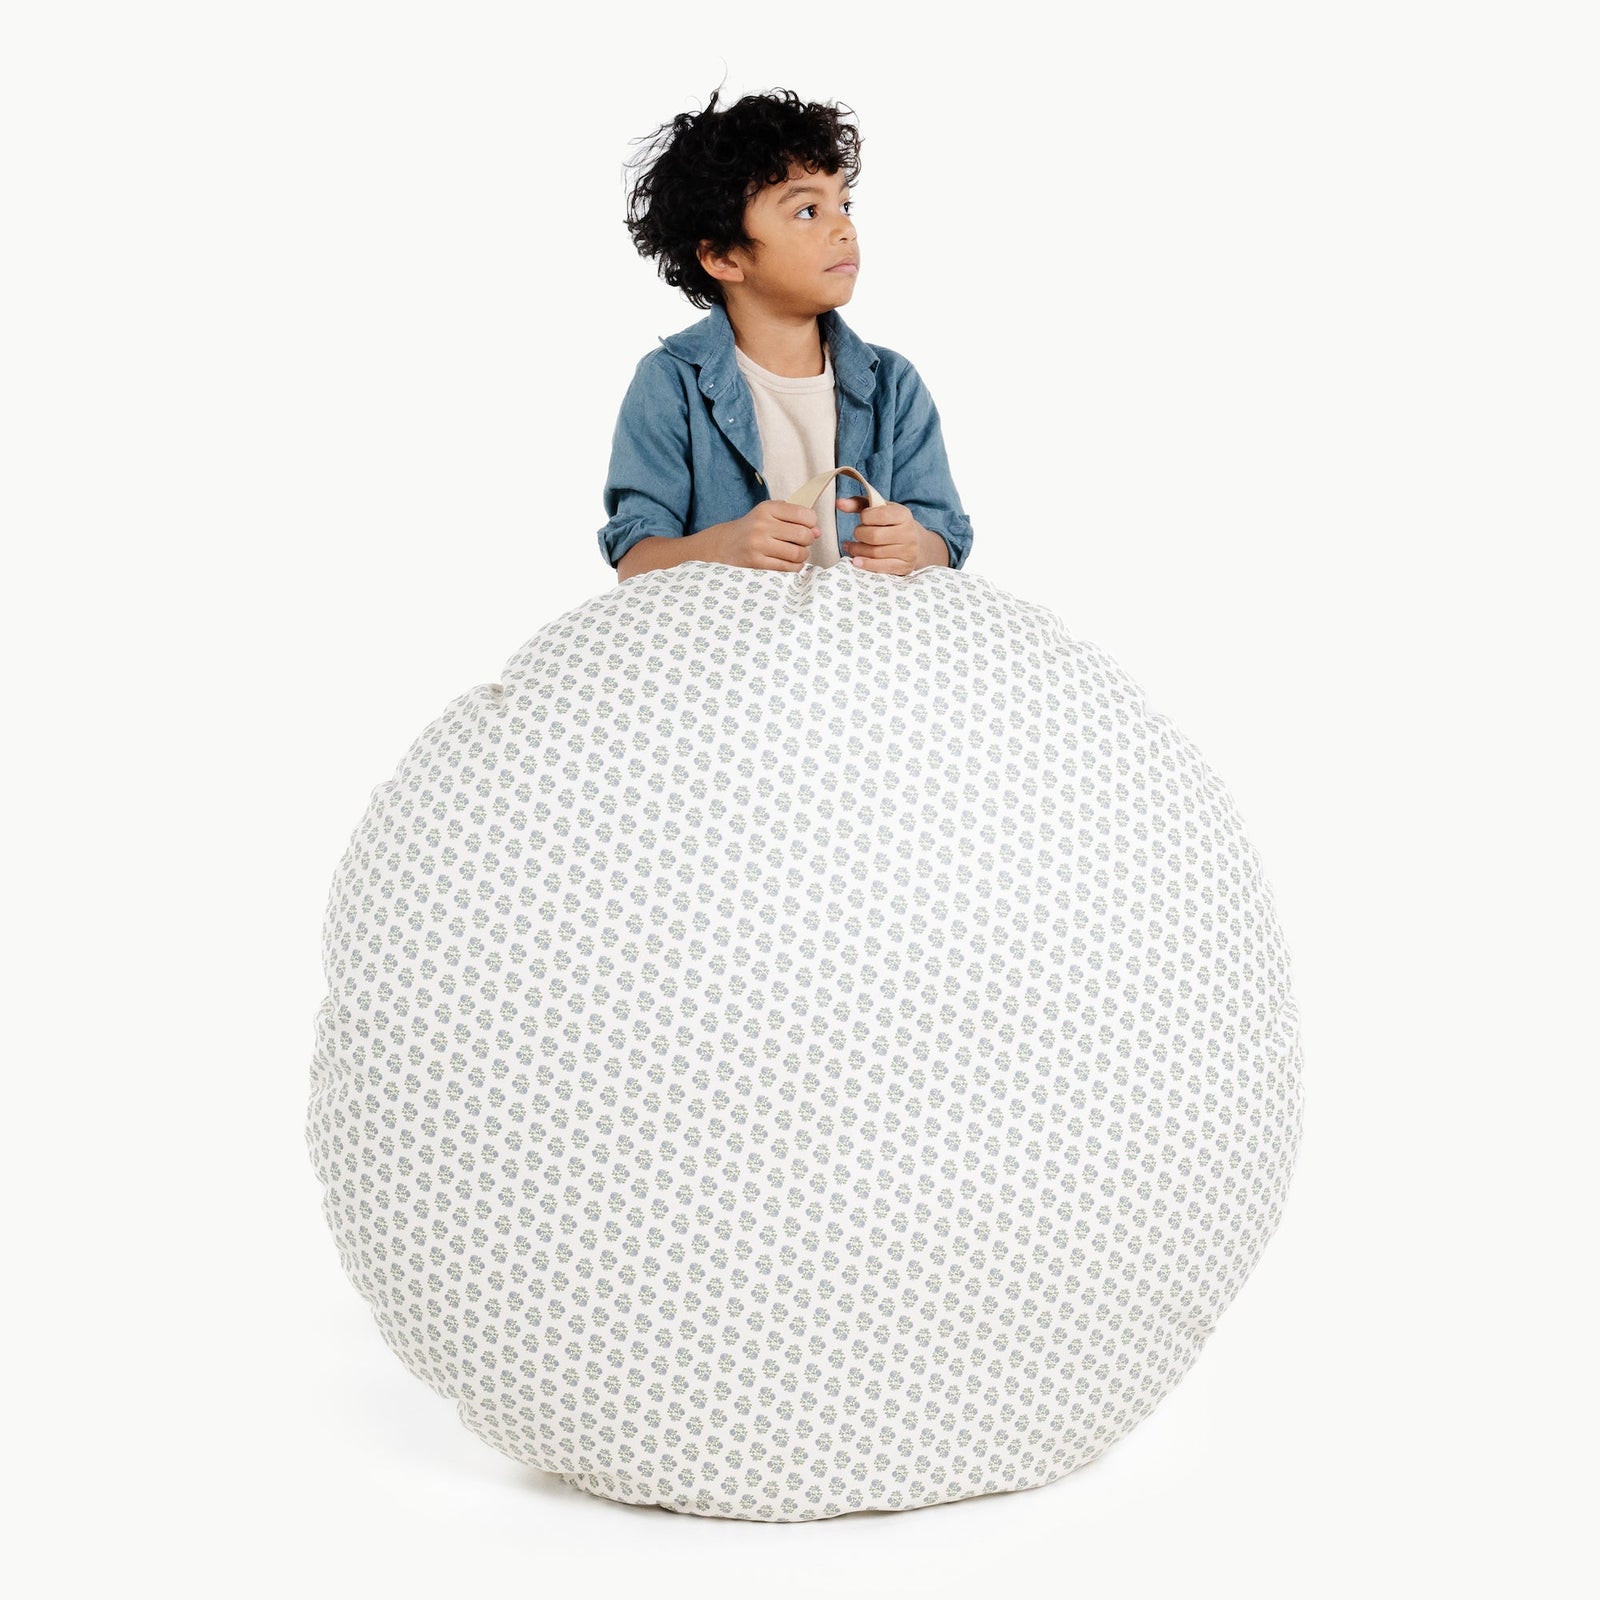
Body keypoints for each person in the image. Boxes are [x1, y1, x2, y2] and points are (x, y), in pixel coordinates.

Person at [597, 86, 975, 581]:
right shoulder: (669, 383)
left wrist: (915, 546)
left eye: (844, 205)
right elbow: (634, 563)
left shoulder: (895, 384)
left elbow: (945, 542)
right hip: (733, 650)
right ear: (723, 258)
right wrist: (722, 545)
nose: (845, 229)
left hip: (867, 649)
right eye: (807, 211)